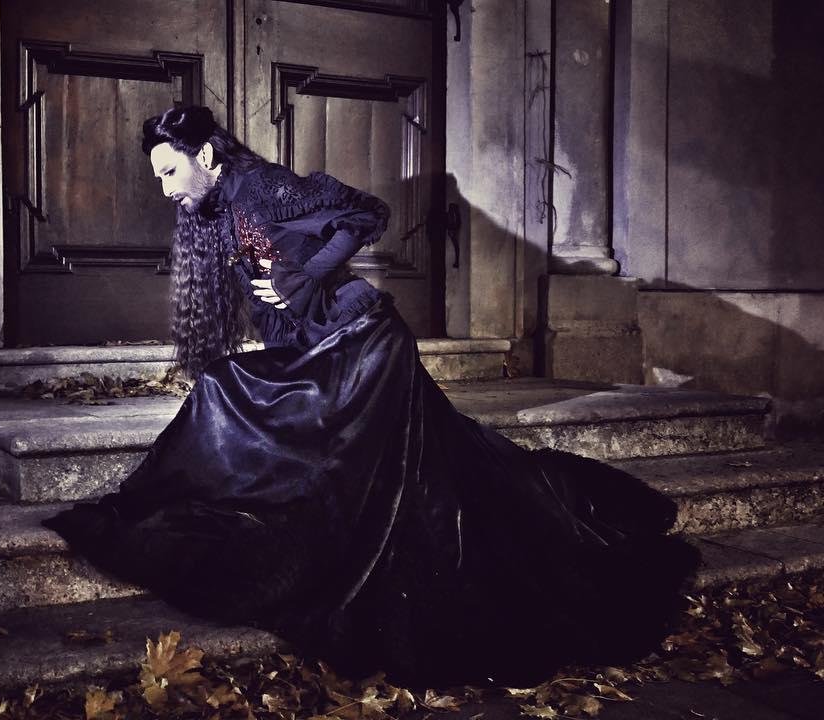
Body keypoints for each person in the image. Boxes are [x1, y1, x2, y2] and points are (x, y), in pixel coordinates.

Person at [43, 106, 701, 687]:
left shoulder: (263, 185)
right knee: (236, 390)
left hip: (365, 342)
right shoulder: (218, 211)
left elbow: (367, 213)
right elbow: (274, 301)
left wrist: (303, 277)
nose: (165, 189)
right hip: (326, 350)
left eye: (169, 172)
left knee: (236, 397)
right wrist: (286, 309)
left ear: (207, 157)